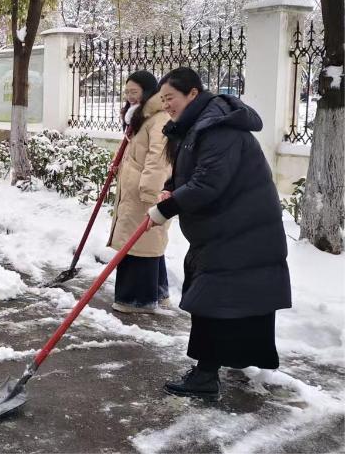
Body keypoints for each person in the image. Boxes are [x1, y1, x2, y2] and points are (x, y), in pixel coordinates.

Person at [146, 67, 291, 401]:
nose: (167, 105)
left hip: (240, 229)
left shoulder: (217, 128)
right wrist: (171, 189)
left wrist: (166, 209)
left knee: (212, 298)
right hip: (231, 227)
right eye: (163, 99)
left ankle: (205, 375)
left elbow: (209, 182)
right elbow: (193, 172)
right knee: (237, 295)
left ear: (193, 95)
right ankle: (240, 357)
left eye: (171, 98)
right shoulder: (200, 126)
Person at [107, 70, 172, 314]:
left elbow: (159, 158)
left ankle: (137, 299)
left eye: (135, 92)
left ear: (147, 92)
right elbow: (134, 148)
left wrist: (149, 190)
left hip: (144, 190)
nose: (130, 97)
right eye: (127, 92)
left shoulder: (159, 119)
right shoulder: (141, 117)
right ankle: (157, 291)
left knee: (140, 241)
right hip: (135, 187)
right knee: (142, 240)